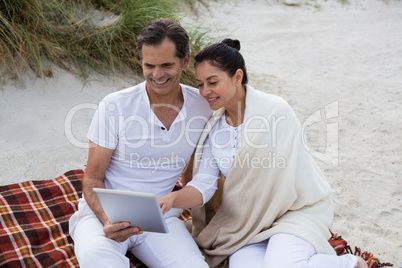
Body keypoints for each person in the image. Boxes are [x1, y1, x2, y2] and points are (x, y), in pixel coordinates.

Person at [158, 39, 368, 268]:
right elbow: (205, 183)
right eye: (200, 84)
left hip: (294, 213)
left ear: (237, 77)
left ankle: (350, 264)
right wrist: (173, 199)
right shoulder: (213, 127)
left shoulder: (275, 112)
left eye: (213, 82)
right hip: (248, 224)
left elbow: (288, 179)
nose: (205, 92)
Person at [68, 18, 212, 268]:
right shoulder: (115, 105)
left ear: (185, 61)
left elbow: (195, 166)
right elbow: (92, 179)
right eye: (149, 65)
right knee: (97, 259)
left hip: (161, 218)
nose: (157, 75)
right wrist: (106, 220)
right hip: (104, 214)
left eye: (166, 65)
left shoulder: (202, 106)